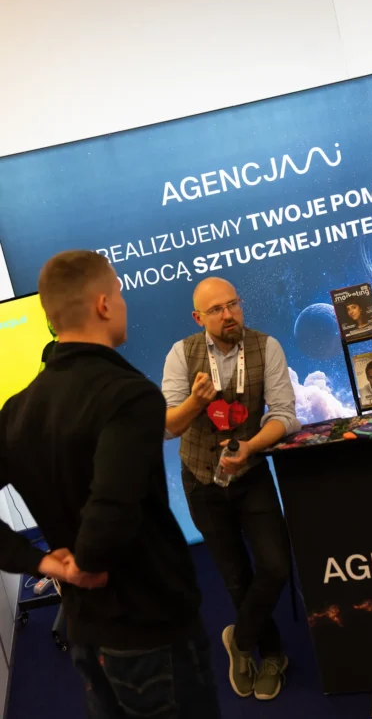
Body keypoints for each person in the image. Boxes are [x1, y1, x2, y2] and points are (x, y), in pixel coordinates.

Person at [0, 251, 221, 719]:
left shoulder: (16, 411)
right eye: (119, 292)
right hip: (151, 629)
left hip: (86, 630)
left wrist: (43, 563)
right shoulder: (128, 395)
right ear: (103, 304)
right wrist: (85, 563)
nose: (122, 303)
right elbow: (112, 506)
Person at [162, 277, 300, 701]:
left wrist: (251, 447)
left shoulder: (267, 347)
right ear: (198, 317)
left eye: (233, 305)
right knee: (236, 577)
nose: (229, 315)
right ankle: (271, 654)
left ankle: (238, 641)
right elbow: (168, 426)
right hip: (201, 480)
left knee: (276, 566)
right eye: (217, 310)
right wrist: (196, 402)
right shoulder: (181, 354)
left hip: (251, 474)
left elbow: (284, 415)